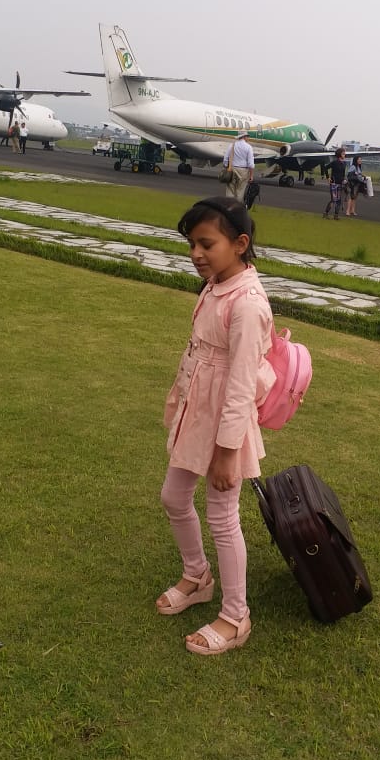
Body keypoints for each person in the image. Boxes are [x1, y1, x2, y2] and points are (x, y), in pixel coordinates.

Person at [156, 196, 275, 656]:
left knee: (223, 518)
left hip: (227, 423)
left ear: (240, 244)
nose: (196, 254)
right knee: (174, 496)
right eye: (192, 244)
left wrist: (227, 453)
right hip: (198, 412)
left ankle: (235, 616)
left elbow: (241, 386)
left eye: (207, 244)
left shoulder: (248, 304)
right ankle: (197, 575)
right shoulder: (215, 284)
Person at [222, 130, 255, 202]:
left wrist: (226, 167)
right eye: (247, 136)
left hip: (232, 169)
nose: (248, 138)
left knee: (230, 190)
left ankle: (229, 205)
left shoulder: (232, 145)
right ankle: (237, 206)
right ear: (244, 137)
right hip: (243, 171)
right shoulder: (248, 147)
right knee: (240, 191)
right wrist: (251, 176)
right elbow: (251, 164)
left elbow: (226, 158)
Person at [323, 147, 348, 219]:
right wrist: (328, 177)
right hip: (334, 183)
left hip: (341, 183)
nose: (344, 155)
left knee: (339, 200)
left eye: (344, 154)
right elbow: (325, 168)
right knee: (333, 199)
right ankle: (326, 213)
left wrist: (344, 180)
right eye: (343, 154)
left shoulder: (344, 163)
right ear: (339, 154)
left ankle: (336, 215)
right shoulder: (335, 162)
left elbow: (343, 173)